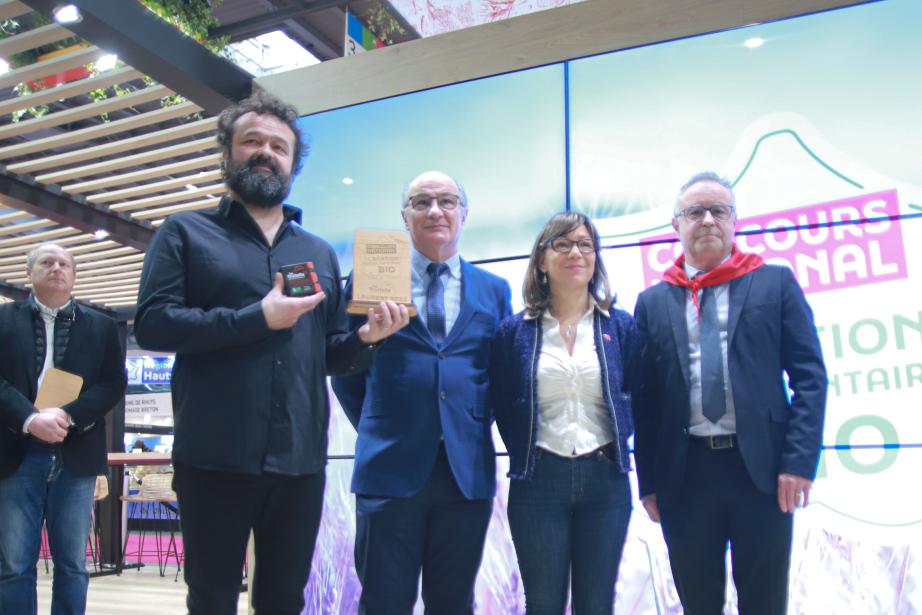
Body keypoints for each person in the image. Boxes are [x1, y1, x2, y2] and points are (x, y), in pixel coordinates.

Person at [134, 89, 409, 615]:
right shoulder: (184, 233)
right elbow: (154, 324)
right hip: (214, 455)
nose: (265, 152)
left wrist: (366, 340)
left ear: (293, 163)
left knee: (284, 599)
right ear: (226, 154)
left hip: (299, 462)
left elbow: (327, 355)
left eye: (278, 147)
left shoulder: (318, 251)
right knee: (212, 598)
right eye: (251, 141)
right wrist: (257, 318)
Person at [632, 172, 827, 614]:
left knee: (764, 603)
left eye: (718, 211)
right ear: (676, 224)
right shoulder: (652, 302)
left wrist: (799, 463)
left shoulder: (775, 283)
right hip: (684, 476)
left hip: (762, 472)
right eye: (694, 212)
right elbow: (645, 402)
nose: (707, 220)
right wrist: (649, 481)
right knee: (698, 604)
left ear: (734, 221)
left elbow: (810, 378)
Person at [331, 170, 512, 614]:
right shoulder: (369, 281)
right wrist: (381, 424)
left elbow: (500, 378)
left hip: (464, 475)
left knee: (453, 604)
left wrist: (461, 424)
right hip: (388, 470)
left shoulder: (494, 290)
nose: (435, 210)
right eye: (421, 202)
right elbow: (344, 369)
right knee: (384, 602)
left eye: (447, 201)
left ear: (463, 215)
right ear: (404, 216)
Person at [490, 212, 638, 614]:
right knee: (542, 603)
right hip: (539, 479)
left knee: (596, 603)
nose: (576, 252)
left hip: (606, 480)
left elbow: (638, 396)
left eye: (585, 245)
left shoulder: (621, 327)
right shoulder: (513, 333)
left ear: (595, 258)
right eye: (562, 244)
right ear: (542, 260)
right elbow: (503, 404)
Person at [0, 243, 126, 614]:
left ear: (73, 275)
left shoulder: (101, 326)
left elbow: (112, 384)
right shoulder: (4, 320)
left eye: (64, 264)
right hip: (15, 451)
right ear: (29, 273)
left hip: (77, 452)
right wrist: (30, 419)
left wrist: (67, 416)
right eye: (46, 262)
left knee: (72, 565)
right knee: (13, 564)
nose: (57, 268)